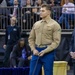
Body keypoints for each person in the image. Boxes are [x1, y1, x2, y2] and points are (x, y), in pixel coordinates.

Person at [28, 4, 61, 75]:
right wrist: (33, 49)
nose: (40, 12)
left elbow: (56, 42)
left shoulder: (55, 25)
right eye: (40, 11)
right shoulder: (36, 24)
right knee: (32, 73)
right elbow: (31, 39)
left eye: (43, 11)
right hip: (36, 52)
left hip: (48, 52)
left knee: (48, 73)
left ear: (49, 12)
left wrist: (45, 51)